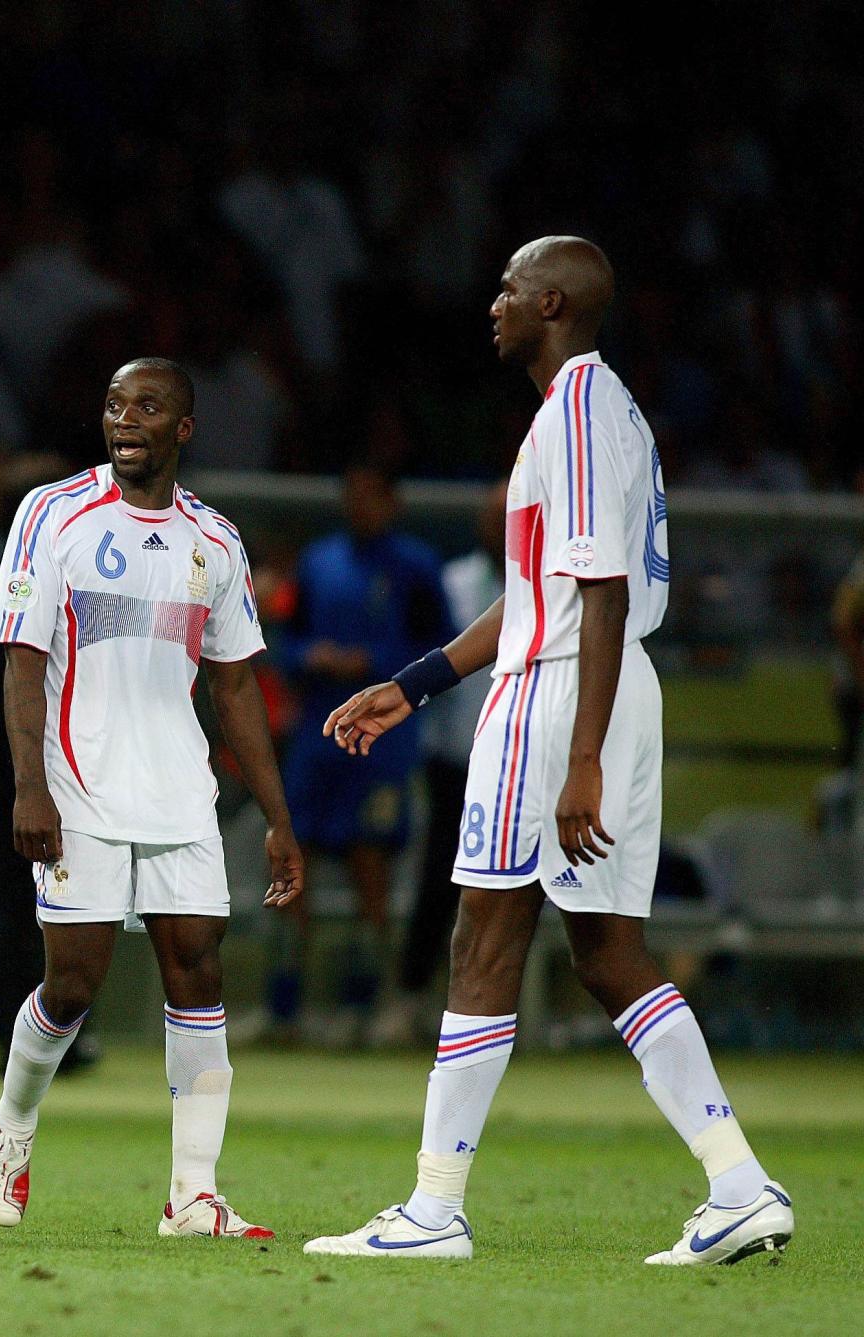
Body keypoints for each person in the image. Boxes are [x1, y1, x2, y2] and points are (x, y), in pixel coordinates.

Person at [306, 237, 793, 1264]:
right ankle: (738, 1182)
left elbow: (598, 590)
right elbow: (545, 590)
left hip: (563, 694)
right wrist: (414, 681)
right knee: (606, 952)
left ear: (553, 301)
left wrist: (576, 757)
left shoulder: (571, 413)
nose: (491, 304)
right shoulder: (600, 408)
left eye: (507, 289)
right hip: (606, 686)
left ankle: (434, 1206)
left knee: (481, 935)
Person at [0, 358, 305, 1237]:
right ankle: (13, 1122)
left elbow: (235, 689)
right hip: (77, 786)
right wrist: (30, 787)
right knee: (72, 985)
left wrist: (276, 815)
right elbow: (23, 658)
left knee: (197, 969)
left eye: (147, 406)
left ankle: (193, 1196)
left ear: (183, 429)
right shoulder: (51, 514)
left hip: (179, 793)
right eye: (115, 403)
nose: (125, 419)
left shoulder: (217, 542)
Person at [273, 465, 448, 1043]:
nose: (358, 507)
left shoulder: (417, 567)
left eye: (370, 497)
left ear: (392, 503)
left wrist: (372, 663)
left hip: (381, 744)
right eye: (350, 495)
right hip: (319, 735)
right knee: (294, 859)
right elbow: (286, 639)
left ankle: (367, 1006)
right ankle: (287, 1007)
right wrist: (310, 658)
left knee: (371, 864)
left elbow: (440, 649)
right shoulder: (318, 561)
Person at [373, 483, 508, 1046]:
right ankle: (411, 997)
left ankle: (502, 1011)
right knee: (440, 880)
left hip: (523, 757)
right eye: (494, 517)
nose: (502, 528)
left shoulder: (556, 582)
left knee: (523, 888)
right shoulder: (453, 583)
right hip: (456, 755)